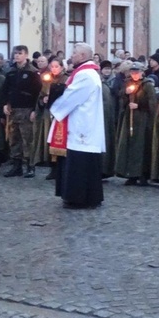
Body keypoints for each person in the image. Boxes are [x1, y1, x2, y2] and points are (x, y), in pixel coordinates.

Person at [50, 43, 105, 209]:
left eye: (74, 53)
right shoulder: (84, 73)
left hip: (82, 126)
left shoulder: (86, 75)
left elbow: (71, 97)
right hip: (82, 122)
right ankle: (81, 196)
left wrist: (54, 105)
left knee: (79, 164)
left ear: (82, 56)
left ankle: (79, 197)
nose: (71, 56)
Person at [2, 45, 42, 178]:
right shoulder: (11, 71)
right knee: (14, 138)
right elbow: (6, 90)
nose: (17, 55)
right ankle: (16, 165)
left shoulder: (33, 72)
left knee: (28, 139)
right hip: (13, 109)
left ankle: (30, 166)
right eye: (15, 53)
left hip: (27, 109)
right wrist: (5, 104)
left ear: (26, 55)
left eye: (20, 53)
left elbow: (38, 93)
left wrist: (34, 110)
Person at [114, 62, 156, 186]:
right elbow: (121, 98)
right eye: (132, 73)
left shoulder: (147, 85)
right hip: (129, 119)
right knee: (130, 145)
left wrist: (140, 105)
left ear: (142, 72)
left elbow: (152, 103)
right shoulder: (128, 83)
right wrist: (126, 94)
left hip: (142, 120)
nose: (134, 75)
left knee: (141, 146)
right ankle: (130, 173)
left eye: (136, 72)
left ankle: (143, 174)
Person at [30, 57, 67, 179]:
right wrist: (42, 100)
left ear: (61, 67)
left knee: (60, 141)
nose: (54, 69)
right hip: (48, 114)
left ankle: (61, 168)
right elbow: (40, 95)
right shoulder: (47, 80)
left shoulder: (66, 79)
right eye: (52, 66)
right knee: (49, 140)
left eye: (57, 66)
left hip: (60, 116)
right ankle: (52, 167)